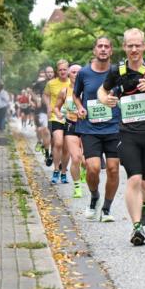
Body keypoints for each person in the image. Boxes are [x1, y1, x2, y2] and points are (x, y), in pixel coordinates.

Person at [98, 28, 145, 246]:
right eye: (130, 45)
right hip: (127, 133)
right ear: (124, 47)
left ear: (144, 46)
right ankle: (137, 227)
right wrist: (105, 100)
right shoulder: (118, 71)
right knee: (134, 179)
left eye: (137, 45)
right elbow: (102, 91)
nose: (134, 49)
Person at [74, 36, 122, 222]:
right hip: (90, 128)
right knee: (93, 168)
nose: (103, 49)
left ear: (111, 50)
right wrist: (80, 107)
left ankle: (107, 209)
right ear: (94, 50)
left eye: (106, 46)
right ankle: (94, 197)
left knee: (113, 169)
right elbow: (76, 95)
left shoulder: (118, 72)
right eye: (100, 46)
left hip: (114, 127)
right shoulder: (84, 73)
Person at [55, 64, 85, 198]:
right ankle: (77, 186)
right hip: (70, 125)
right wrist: (58, 114)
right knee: (76, 157)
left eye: (79, 72)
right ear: (68, 74)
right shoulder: (64, 91)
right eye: (73, 72)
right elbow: (56, 107)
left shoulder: (88, 89)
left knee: (86, 161)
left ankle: (84, 169)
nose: (76, 74)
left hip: (86, 126)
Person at [44, 61, 72, 184]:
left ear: (68, 70)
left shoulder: (73, 82)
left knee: (66, 147)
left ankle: (64, 172)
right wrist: (48, 106)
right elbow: (45, 95)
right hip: (56, 116)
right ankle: (56, 170)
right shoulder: (51, 83)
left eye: (64, 69)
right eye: (60, 70)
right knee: (58, 142)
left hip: (70, 117)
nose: (62, 72)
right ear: (57, 71)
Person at [32, 67, 53, 165]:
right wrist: (37, 100)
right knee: (46, 131)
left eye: (51, 72)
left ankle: (52, 154)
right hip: (43, 111)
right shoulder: (41, 83)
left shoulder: (57, 82)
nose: (49, 74)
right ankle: (47, 154)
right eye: (48, 72)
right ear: (45, 73)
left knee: (54, 135)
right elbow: (32, 91)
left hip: (55, 111)